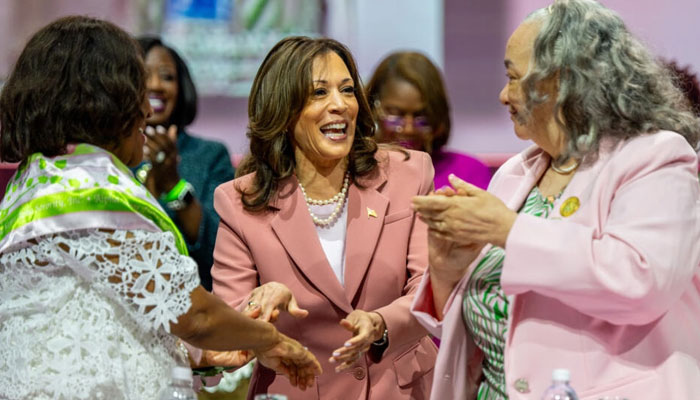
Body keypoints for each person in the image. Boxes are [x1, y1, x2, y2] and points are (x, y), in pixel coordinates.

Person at [0, 16, 320, 400]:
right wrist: (272, 340)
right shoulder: (90, 190)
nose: (147, 112)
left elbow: (99, 316)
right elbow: (196, 316)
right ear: (104, 101)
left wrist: (204, 352)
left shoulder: (38, 179)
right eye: (136, 90)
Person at [410, 1, 700, 399]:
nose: (502, 94)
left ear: (560, 82)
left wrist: (506, 229)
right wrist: (447, 272)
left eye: (513, 77)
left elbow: (642, 281)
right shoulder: (517, 171)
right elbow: (490, 323)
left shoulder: (655, 157)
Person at [211, 36, 437, 399]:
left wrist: (381, 323)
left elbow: (430, 286)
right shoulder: (241, 204)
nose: (340, 105)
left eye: (347, 91)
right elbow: (223, 330)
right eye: (319, 93)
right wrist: (259, 302)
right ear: (283, 111)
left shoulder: (407, 174)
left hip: (402, 390)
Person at [133, 36, 236, 291]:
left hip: (192, 300)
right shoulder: (109, 155)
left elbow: (220, 250)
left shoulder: (210, 155)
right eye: (144, 76)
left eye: (167, 77)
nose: (155, 85)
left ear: (182, 88)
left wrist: (174, 185)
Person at [366, 51, 492, 190]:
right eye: (396, 115)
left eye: (421, 117)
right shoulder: (356, 170)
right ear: (372, 108)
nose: (409, 128)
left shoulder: (468, 172)